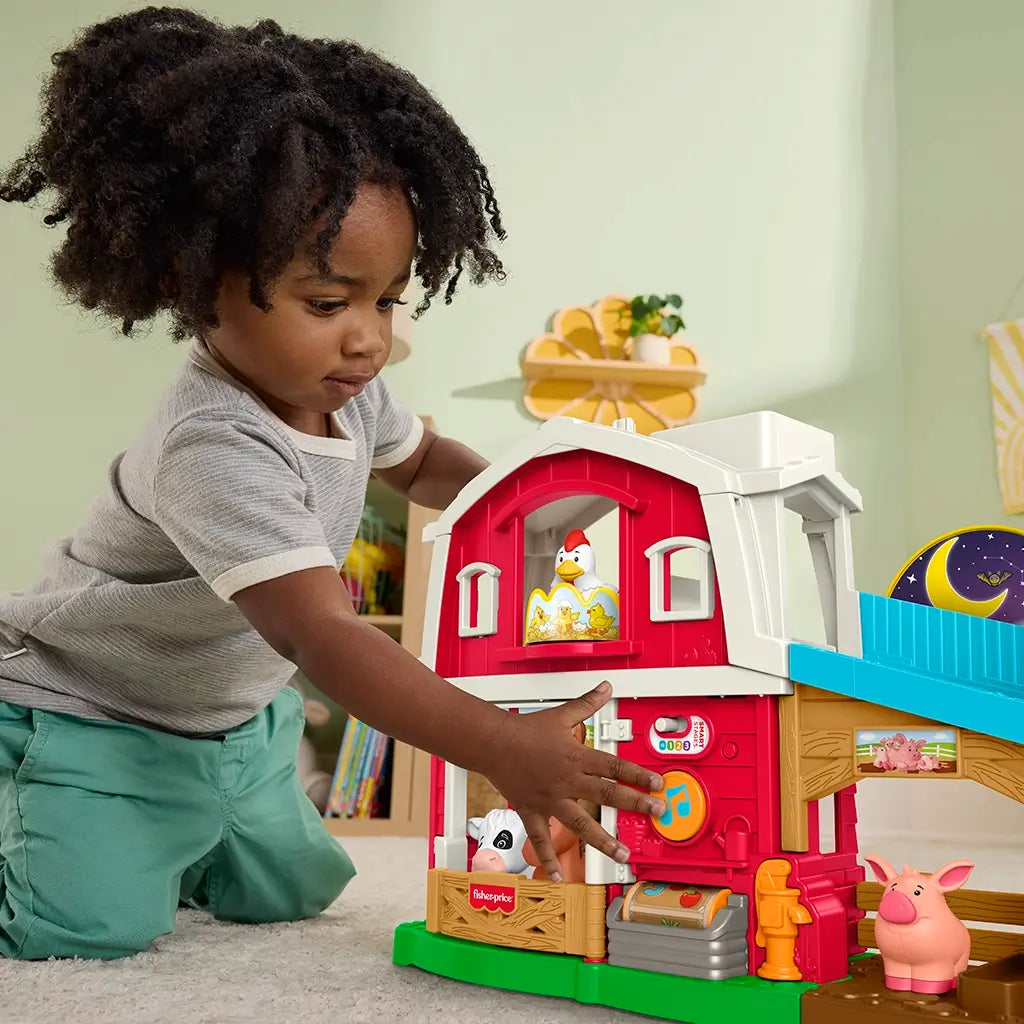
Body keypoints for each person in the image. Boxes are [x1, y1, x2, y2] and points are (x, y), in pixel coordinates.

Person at [0, 8, 664, 961]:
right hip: (96, 709)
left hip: (235, 719)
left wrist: (534, 514)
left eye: (387, 299)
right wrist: (500, 743)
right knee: (85, 930)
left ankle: (165, 830)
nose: (369, 338)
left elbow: (423, 464)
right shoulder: (213, 444)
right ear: (199, 279)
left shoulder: (347, 391)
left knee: (293, 894)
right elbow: (324, 635)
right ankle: (49, 804)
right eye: (327, 302)